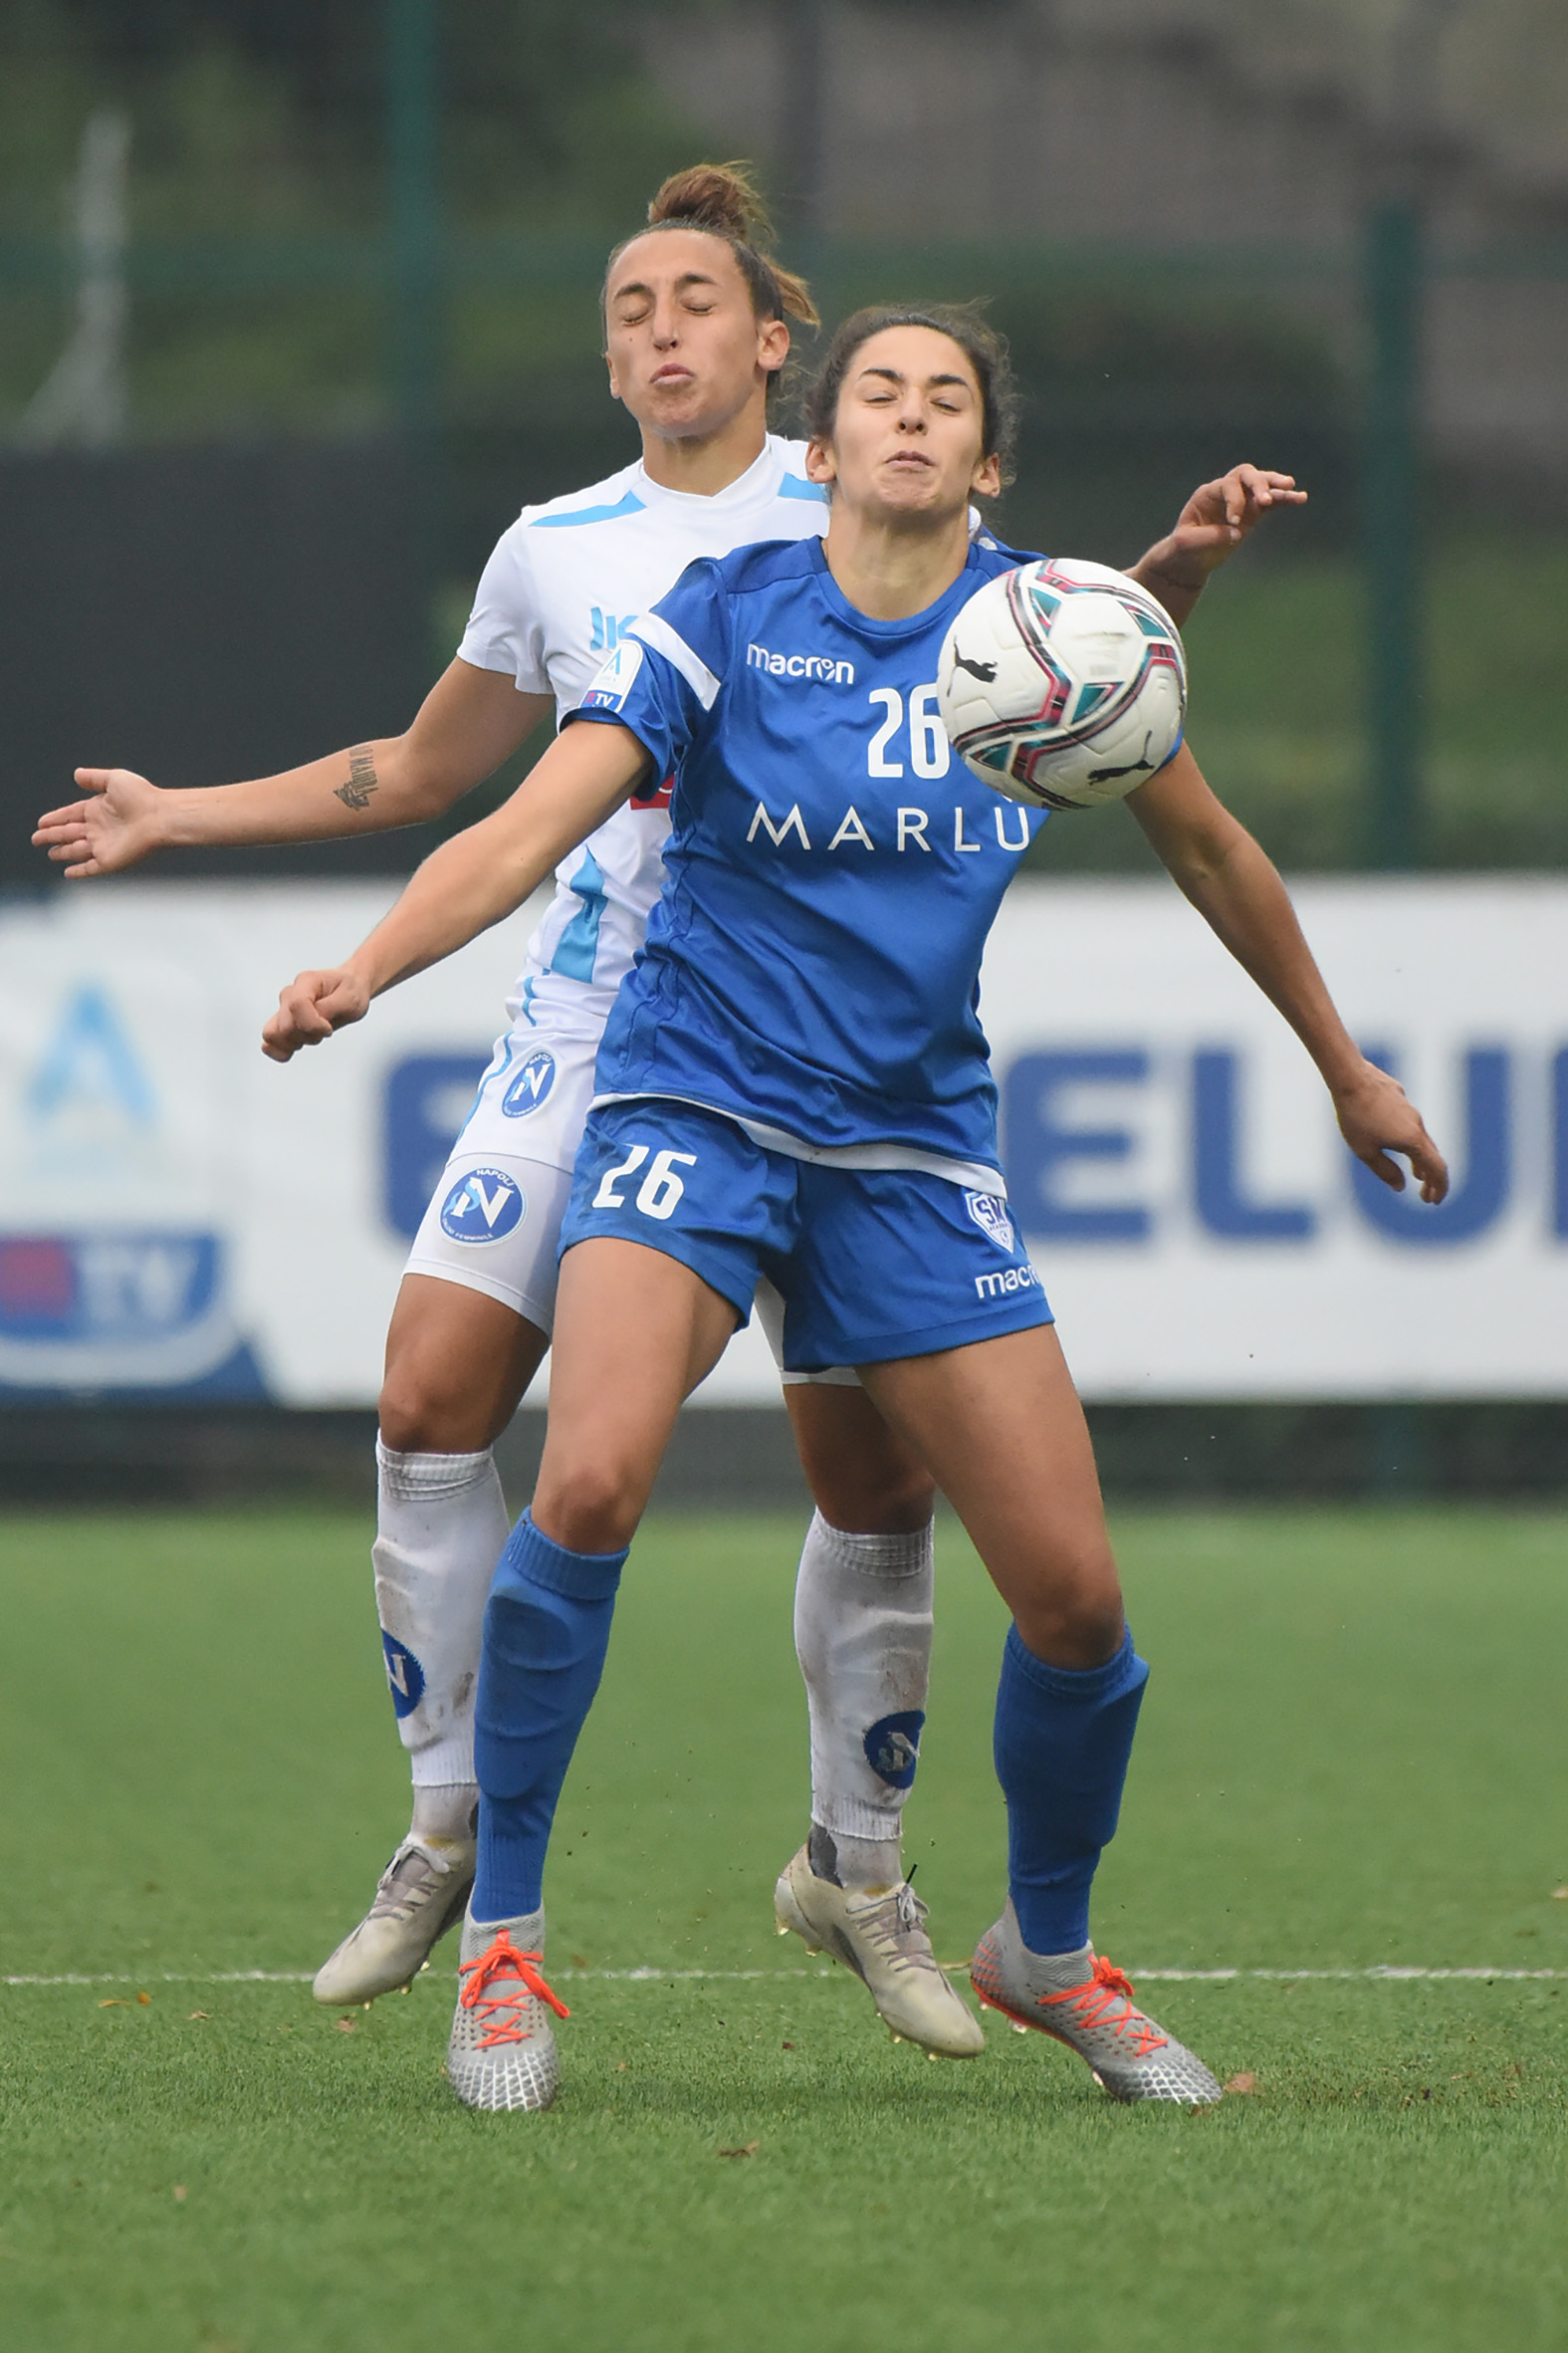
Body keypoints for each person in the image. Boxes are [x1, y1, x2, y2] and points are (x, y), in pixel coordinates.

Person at [36, 165, 1305, 2053]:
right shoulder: (585, 554)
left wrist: (1174, 578)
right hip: (634, 1038)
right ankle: (463, 1845)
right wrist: (246, 861)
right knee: (464, 1410)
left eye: (693, 297)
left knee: (904, 1503)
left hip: (876, 1087)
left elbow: (1053, 659)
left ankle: (868, 1870)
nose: (658, 328)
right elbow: (452, 782)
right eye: (627, 306)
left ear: (777, 343)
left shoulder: (879, 502)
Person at [257, 302, 1449, 2113]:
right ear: (819, 448)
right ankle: (503, 1943)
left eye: (945, 399)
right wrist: (366, 967)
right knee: (587, 1483)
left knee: (1078, 1608)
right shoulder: (727, 614)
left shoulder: (1046, 634)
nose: (907, 416)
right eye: (876, 392)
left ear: (989, 460)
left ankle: (1047, 1954)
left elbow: (1212, 847)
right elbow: (525, 827)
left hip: (907, 1147)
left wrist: (1347, 1067)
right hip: (692, 1101)